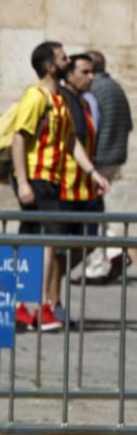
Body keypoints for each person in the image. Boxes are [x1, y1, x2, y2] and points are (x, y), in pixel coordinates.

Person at [10, 41, 109, 331]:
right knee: (48, 242)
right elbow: (19, 138)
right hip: (37, 177)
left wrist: (92, 172)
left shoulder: (59, 100)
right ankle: (41, 306)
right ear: (51, 66)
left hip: (52, 178)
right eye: (63, 57)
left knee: (33, 241)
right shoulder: (36, 96)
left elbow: (69, 142)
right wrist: (24, 182)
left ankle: (23, 305)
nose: (68, 60)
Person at [79, 50, 131, 283]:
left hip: (97, 158)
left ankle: (99, 262)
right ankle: (113, 252)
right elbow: (128, 124)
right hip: (115, 155)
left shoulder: (93, 92)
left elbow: (92, 127)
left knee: (91, 210)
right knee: (97, 208)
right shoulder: (116, 88)